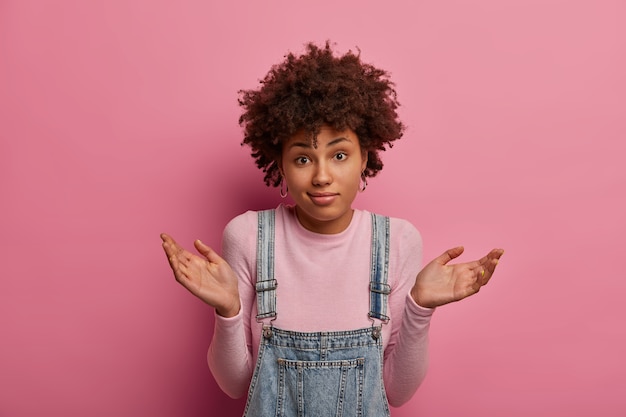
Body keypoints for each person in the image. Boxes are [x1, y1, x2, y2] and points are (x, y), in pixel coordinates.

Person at [161, 41, 504, 416]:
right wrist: (227, 310)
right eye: (303, 158)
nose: (322, 176)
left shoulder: (397, 241)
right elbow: (235, 385)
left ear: (364, 159)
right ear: (280, 165)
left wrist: (420, 307)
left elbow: (397, 392)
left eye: (339, 155)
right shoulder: (248, 236)